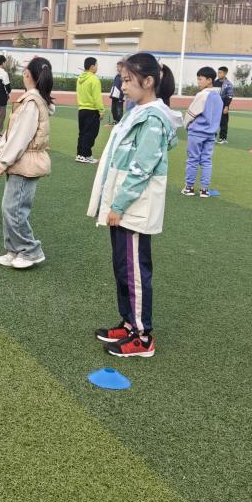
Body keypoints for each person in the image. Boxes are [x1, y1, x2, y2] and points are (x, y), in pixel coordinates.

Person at [88, 52, 181, 359]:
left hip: (133, 208)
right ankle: (129, 323)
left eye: (128, 80)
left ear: (149, 81)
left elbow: (142, 168)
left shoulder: (153, 118)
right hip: (123, 205)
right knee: (122, 268)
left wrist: (118, 205)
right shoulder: (137, 111)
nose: (123, 86)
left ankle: (142, 337)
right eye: (122, 80)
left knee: (135, 273)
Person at [0, 57, 54, 269]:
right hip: (21, 160)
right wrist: (1, 155)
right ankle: (14, 249)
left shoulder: (31, 102)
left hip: (25, 161)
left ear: (28, 74)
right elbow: (13, 134)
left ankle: (30, 250)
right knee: (10, 207)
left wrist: (4, 160)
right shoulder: (33, 100)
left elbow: (21, 137)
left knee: (15, 209)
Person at [181, 67, 224, 198]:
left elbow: (191, 114)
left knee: (193, 159)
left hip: (197, 132)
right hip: (211, 134)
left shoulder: (202, 95)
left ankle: (189, 187)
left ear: (209, 80)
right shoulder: (218, 97)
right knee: (206, 161)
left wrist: (186, 125)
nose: (198, 82)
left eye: (200, 79)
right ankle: (204, 190)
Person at [76, 56, 104, 163]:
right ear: (92, 67)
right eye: (97, 65)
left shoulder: (80, 79)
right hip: (92, 110)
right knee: (91, 134)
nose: (97, 67)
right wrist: (101, 110)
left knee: (83, 133)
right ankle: (84, 155)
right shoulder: (94, 79)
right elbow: (97, 97)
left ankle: (81, 154)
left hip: (81, 110)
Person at [213, 66, 234, 144]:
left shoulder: (228, 84)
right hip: (214, 106)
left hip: (223, 106)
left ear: (225, 73)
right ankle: (213, 137)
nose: (218, 74)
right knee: (213, 122)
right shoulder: (214, 82)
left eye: (220, 73)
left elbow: (229, 96)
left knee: (223, 122)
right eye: (218, 72)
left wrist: (226, 106)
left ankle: (223, 138)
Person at [109, 61, 125, 125]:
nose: (117, 68)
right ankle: (115, 120)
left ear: (123, 68)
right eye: (117, 67)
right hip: (114, 96)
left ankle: (120, 122)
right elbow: (114, 86)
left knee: (119, 110)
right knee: (113, 109)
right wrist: (112, 94)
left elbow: (123, 87)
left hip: (119, 97)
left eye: (119, 67)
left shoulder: (123, 76)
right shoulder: (117, 76)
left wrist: (121, 97)